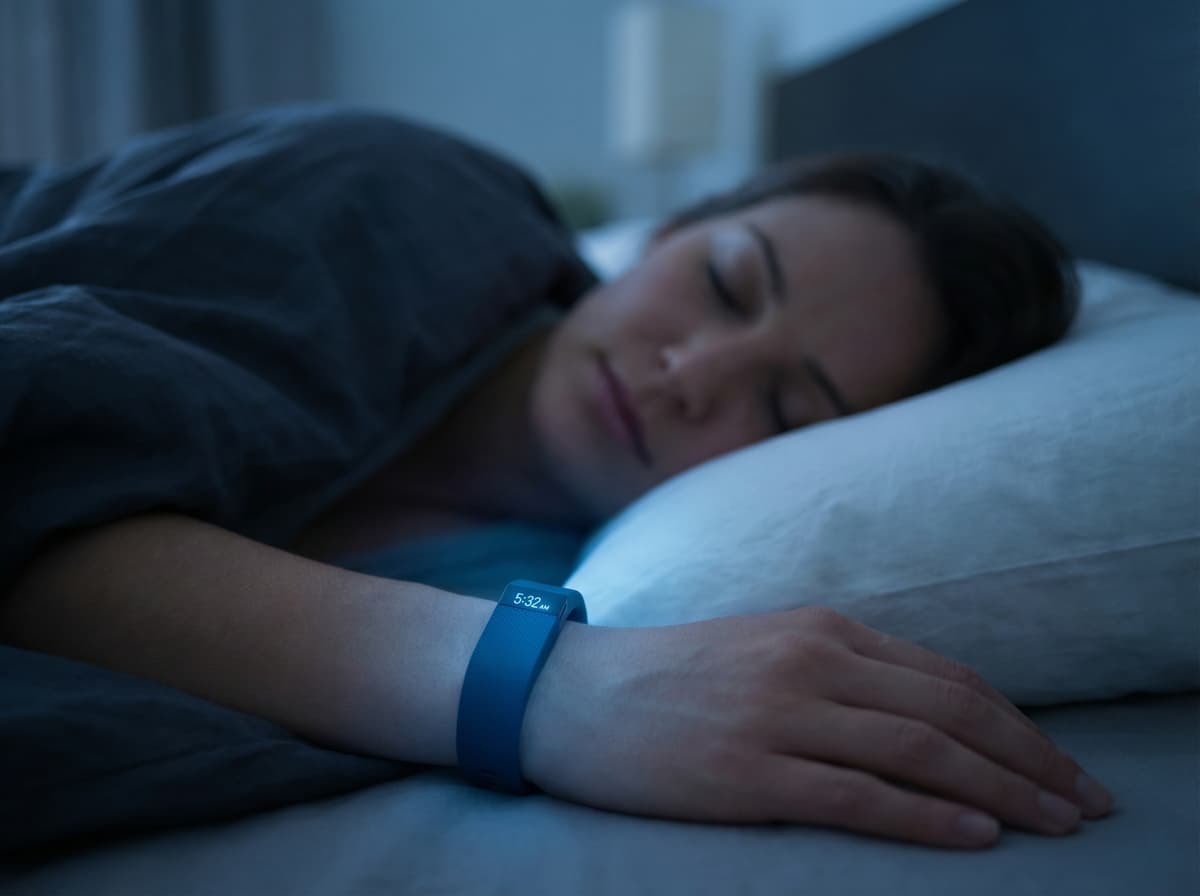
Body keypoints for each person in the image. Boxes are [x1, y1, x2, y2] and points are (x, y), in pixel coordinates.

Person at [0, 105, 1108, 853]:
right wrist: (544, 688)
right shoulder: (409, 203)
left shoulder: (571, 583)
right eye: (724, 283)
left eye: (786, 406)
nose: (691, 371)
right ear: (671, 228)